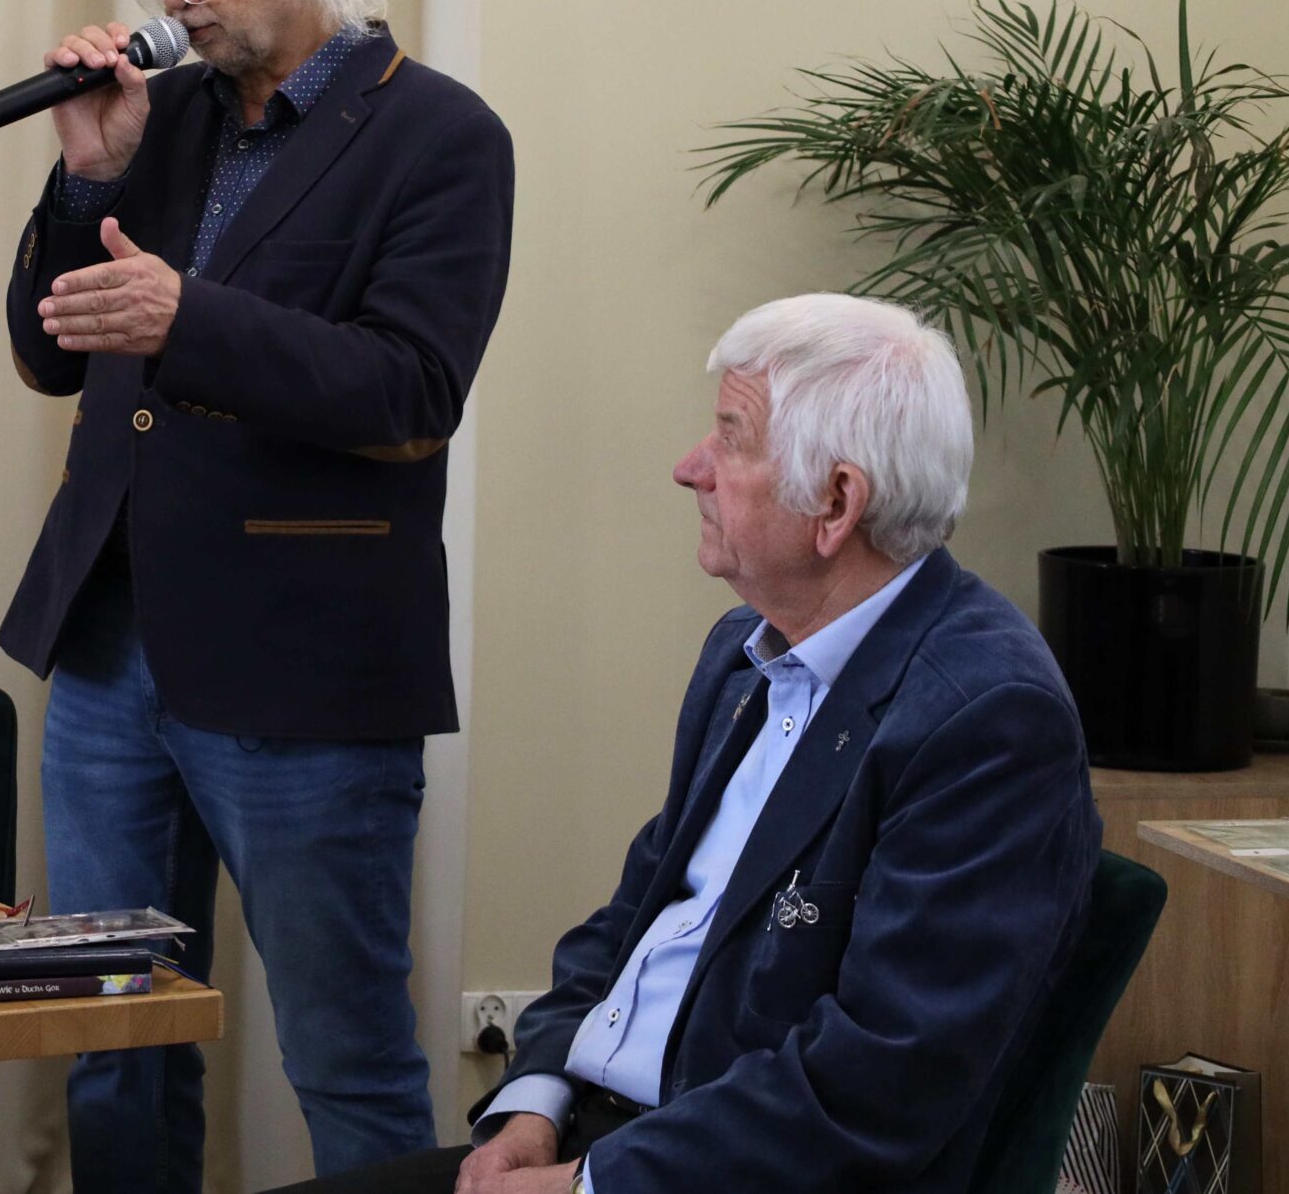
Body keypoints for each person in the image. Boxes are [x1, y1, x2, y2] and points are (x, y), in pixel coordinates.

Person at [273, 293, 1101, 1194]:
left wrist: (591, 1184)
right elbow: (633, 916)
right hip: (599, 1136)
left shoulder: (988, 717)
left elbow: (876, 1084)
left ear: (835, 501)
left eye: (731, 439)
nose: (689, 467)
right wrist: (533, 1103)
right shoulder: (744, 653)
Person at [0, 0, 516, 1190]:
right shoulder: (156, 120)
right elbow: (54, 356)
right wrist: (87, 177)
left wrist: (190, 319)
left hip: (301, 663)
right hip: (110, 645)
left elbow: (411, 389)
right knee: (112, 1038)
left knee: (344, 1055)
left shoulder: (439, 134)